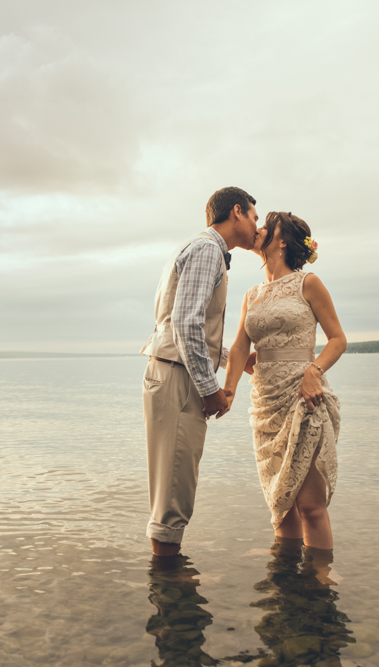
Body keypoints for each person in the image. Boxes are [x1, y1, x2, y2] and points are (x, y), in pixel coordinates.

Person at [140, 187, 259, 557]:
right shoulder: (208, 249)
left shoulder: (197, 248)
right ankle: (170, 591)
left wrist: (231, 359)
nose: (257, 225)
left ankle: (168, 576)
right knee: (175, 487)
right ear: (237, 212)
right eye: (255, 216)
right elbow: (186, 323)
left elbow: (187, 324)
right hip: (179, 378)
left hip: (173, 370)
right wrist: (211, 389)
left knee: (172, 483)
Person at [223, 211, 347, 551]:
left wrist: (313, 371)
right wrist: (228, 391)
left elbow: (338, 339)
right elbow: (238, 348)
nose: (258, 228)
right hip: (266, 404)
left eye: (267, 224)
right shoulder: (251, 295)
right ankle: (287, 588)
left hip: (303, 399)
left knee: (309, 506)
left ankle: (319, 586)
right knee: (281, 508)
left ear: (281, 241)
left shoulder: (308, 283)